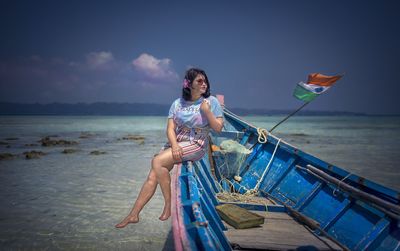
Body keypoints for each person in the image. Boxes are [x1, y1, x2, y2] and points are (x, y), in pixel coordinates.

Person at [115, 68, 224, 228]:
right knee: (153, 174)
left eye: (205, 81)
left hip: (196, 143)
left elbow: (218, 128)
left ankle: (167, 205)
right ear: (189, 84)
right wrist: (174, 146)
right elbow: (170, 129)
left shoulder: (211, 102)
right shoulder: (177, 103)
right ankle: (134, 214)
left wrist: (207, 112)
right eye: (199, 81)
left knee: (157, 162)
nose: (204, 84)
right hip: (176, 141)